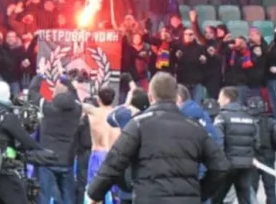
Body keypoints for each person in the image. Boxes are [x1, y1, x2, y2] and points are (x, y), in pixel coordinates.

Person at [86, 72, 229, 204]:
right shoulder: (195, 127)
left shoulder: (138, 125)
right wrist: (201, 192)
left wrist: (95, 194)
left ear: (150, 97)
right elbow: (220, 166)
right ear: (176, 97)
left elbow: (113, 163)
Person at [0, 80, 51, 204]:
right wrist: (44, 152)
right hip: (4, 170)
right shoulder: (5, 115)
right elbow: (25, 139)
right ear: (8, 95)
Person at [37, 79, 82, 204]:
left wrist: (40, 75)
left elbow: (32, 93)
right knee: (68, 197)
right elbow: (75, 96)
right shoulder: (77, 109)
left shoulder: (47, 108)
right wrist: (66, 81)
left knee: (45, 196)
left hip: (47, 160)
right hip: (67, 160)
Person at [213, 86, 258, 204]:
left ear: (227, 99)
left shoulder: (222, 117)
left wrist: (219, 163)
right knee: (245, 197)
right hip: (246, 165)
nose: (218, 101)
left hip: (228, 165)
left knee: (217, 198)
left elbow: (218, 142)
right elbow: (257, 141)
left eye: (220, 97)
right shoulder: (249, 116)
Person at [247, 97, 276, 204]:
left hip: (251, 160)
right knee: (270, 191)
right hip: (267, 160)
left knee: (251, 192)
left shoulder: (244, 121)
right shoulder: (271, 122)